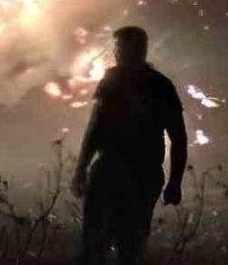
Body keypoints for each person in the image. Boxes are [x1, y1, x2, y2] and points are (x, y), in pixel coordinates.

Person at [71, 25, 187, 265]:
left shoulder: (158, 87)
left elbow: (178, 137)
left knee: (123, 247)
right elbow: (95, 128)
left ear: (137, 50)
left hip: (134, 176)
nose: (117, 53)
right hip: (117, 173)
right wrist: (81, 168)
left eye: (120, 48)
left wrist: (175, 181)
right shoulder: (120, 81)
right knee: (106, 246)